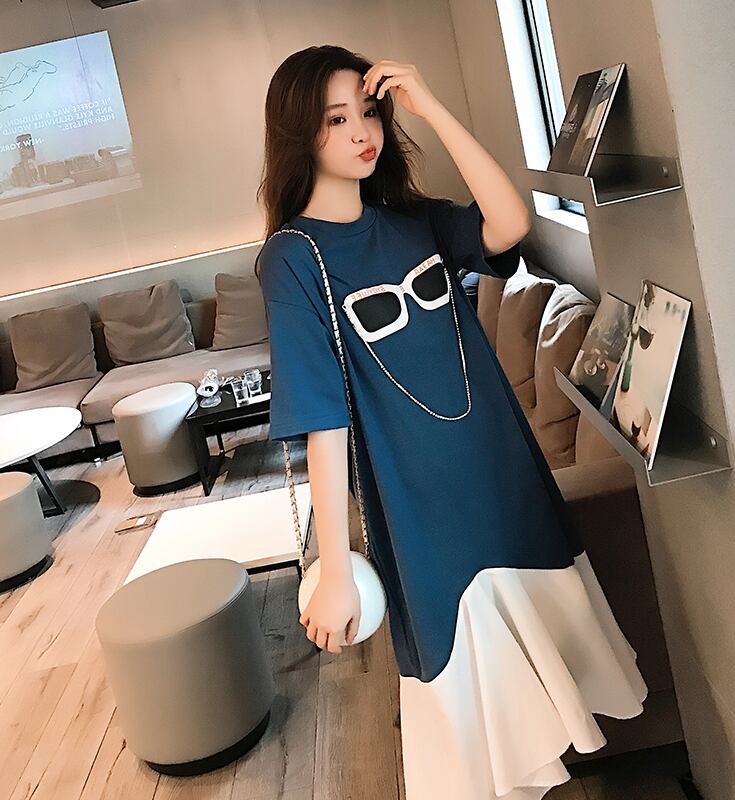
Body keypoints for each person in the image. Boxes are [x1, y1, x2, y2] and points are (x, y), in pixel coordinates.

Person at [254, 45, 647, 800]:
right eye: (336, 119)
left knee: (544, 666)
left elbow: (510, 221)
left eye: (369, 112)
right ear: (299, 134)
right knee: (469, 696)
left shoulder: (413, 222)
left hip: (499, 469)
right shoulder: (293, 258)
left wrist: (429, 105)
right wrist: (333, 565)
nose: (361, 131)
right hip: (419, 501)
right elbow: (323, 416)